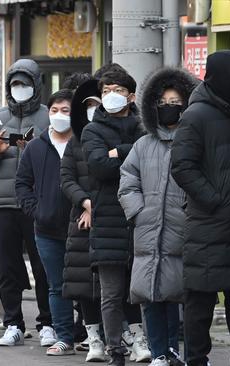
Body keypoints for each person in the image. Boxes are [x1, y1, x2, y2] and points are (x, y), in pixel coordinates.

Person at [170, 50, 230, 366]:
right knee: (200, 298)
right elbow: (182, 166)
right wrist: (215, 200)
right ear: (221, 77)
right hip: (209, 225)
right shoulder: (196, 115)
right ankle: (196, 359)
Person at [118, 67, 197, 366]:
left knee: (179, 296)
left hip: (182, 231)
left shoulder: (193, 142)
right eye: (163, 103)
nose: (168, 108)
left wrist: (188, 213)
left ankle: (180, 352)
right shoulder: (143, 144)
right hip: (148, 232)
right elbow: (128, 180)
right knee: (149, 295)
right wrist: (138, 211)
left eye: (175, 102)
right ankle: (159, 352)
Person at [0, 59, 52, 346]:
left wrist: (35, 149)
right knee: (8, 266)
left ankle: (47, 323)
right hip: (4, 203)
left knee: (43, 265)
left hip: (37, 202)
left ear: (36, 85)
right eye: (16, 84)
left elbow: (61, 153)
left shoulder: (47, 116)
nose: (20, 89)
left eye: (25, 83)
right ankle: (13, 323)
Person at [80, 70, 148, 365]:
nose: (111, 95)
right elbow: (98, 168)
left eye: (117, 89)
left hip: (139, 216)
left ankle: (141, 341)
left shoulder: (143, 127)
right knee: (111, 291)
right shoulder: (92, 130)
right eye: (106, 90)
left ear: (131, 97)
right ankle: (115, 349)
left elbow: (150, 159)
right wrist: (127, 156)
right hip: (107, 218)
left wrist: (116, 152)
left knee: (139, 289)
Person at [16, 89, 76, 354]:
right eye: (54, 111)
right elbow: (22, 184)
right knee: (57, 285)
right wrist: (37, 210)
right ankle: (64, 336)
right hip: (47, 229)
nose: (59, 116)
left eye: (65, 110)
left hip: (81, 227)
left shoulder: (84, 143)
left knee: (88, 285)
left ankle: (91, 334)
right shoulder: (36, 147)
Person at [61, 77, 106, 362]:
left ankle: (125, 335)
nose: (92, 109)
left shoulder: (120, 138)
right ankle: (93, 339)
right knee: (84, 285)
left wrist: (97, 205)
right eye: (87, 105)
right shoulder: (74, 141)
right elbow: (66, 178)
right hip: (82, 220)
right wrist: (86, 202)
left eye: (96, 104)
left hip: (112, 218)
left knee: (115, 284)